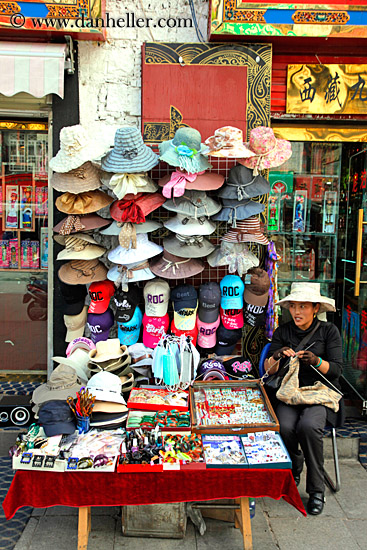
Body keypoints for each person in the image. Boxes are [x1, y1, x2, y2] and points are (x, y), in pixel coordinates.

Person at [264, 282, 342, 516]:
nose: (297, 312)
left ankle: (317, 490)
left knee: (308, 426)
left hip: (319, 394)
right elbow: (269, 370)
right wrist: (277, 355)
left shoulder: (329, 332)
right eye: (293, 307)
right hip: (290, 393)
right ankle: (294, 466)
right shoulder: (283, 331)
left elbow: (337, 370)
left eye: (303, 307)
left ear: (316, 308)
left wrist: (317, 362)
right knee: (285, 426)